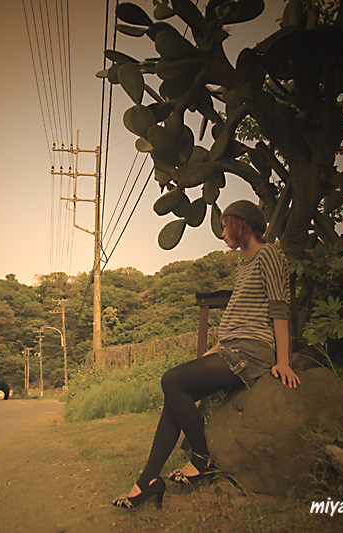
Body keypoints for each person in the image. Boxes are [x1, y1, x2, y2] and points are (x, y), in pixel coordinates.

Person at [112, 199, 300, 510]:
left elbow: (280, 309)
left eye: (225, 226)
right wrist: (216, 349)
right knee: (174, 394)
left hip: (252, 352)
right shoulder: (243, 266)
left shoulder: (268, 255)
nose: (222, 233)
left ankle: (201, 458)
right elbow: (238, 317)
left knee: (171, 380)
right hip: (232, 350)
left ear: (241, 225)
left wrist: (283, 361)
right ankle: (148, 481)